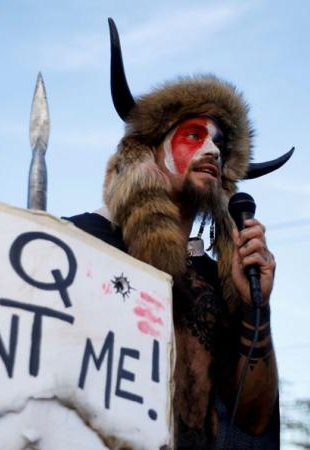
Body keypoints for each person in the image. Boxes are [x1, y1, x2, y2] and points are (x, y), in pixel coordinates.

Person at [67, 19, 294, 449]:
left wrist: (255, 310)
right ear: (151, 149)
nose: (213, 151)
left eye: (220, 145)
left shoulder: (218, 281)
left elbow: (253, 417)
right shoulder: (79, 243)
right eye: (194, 135)